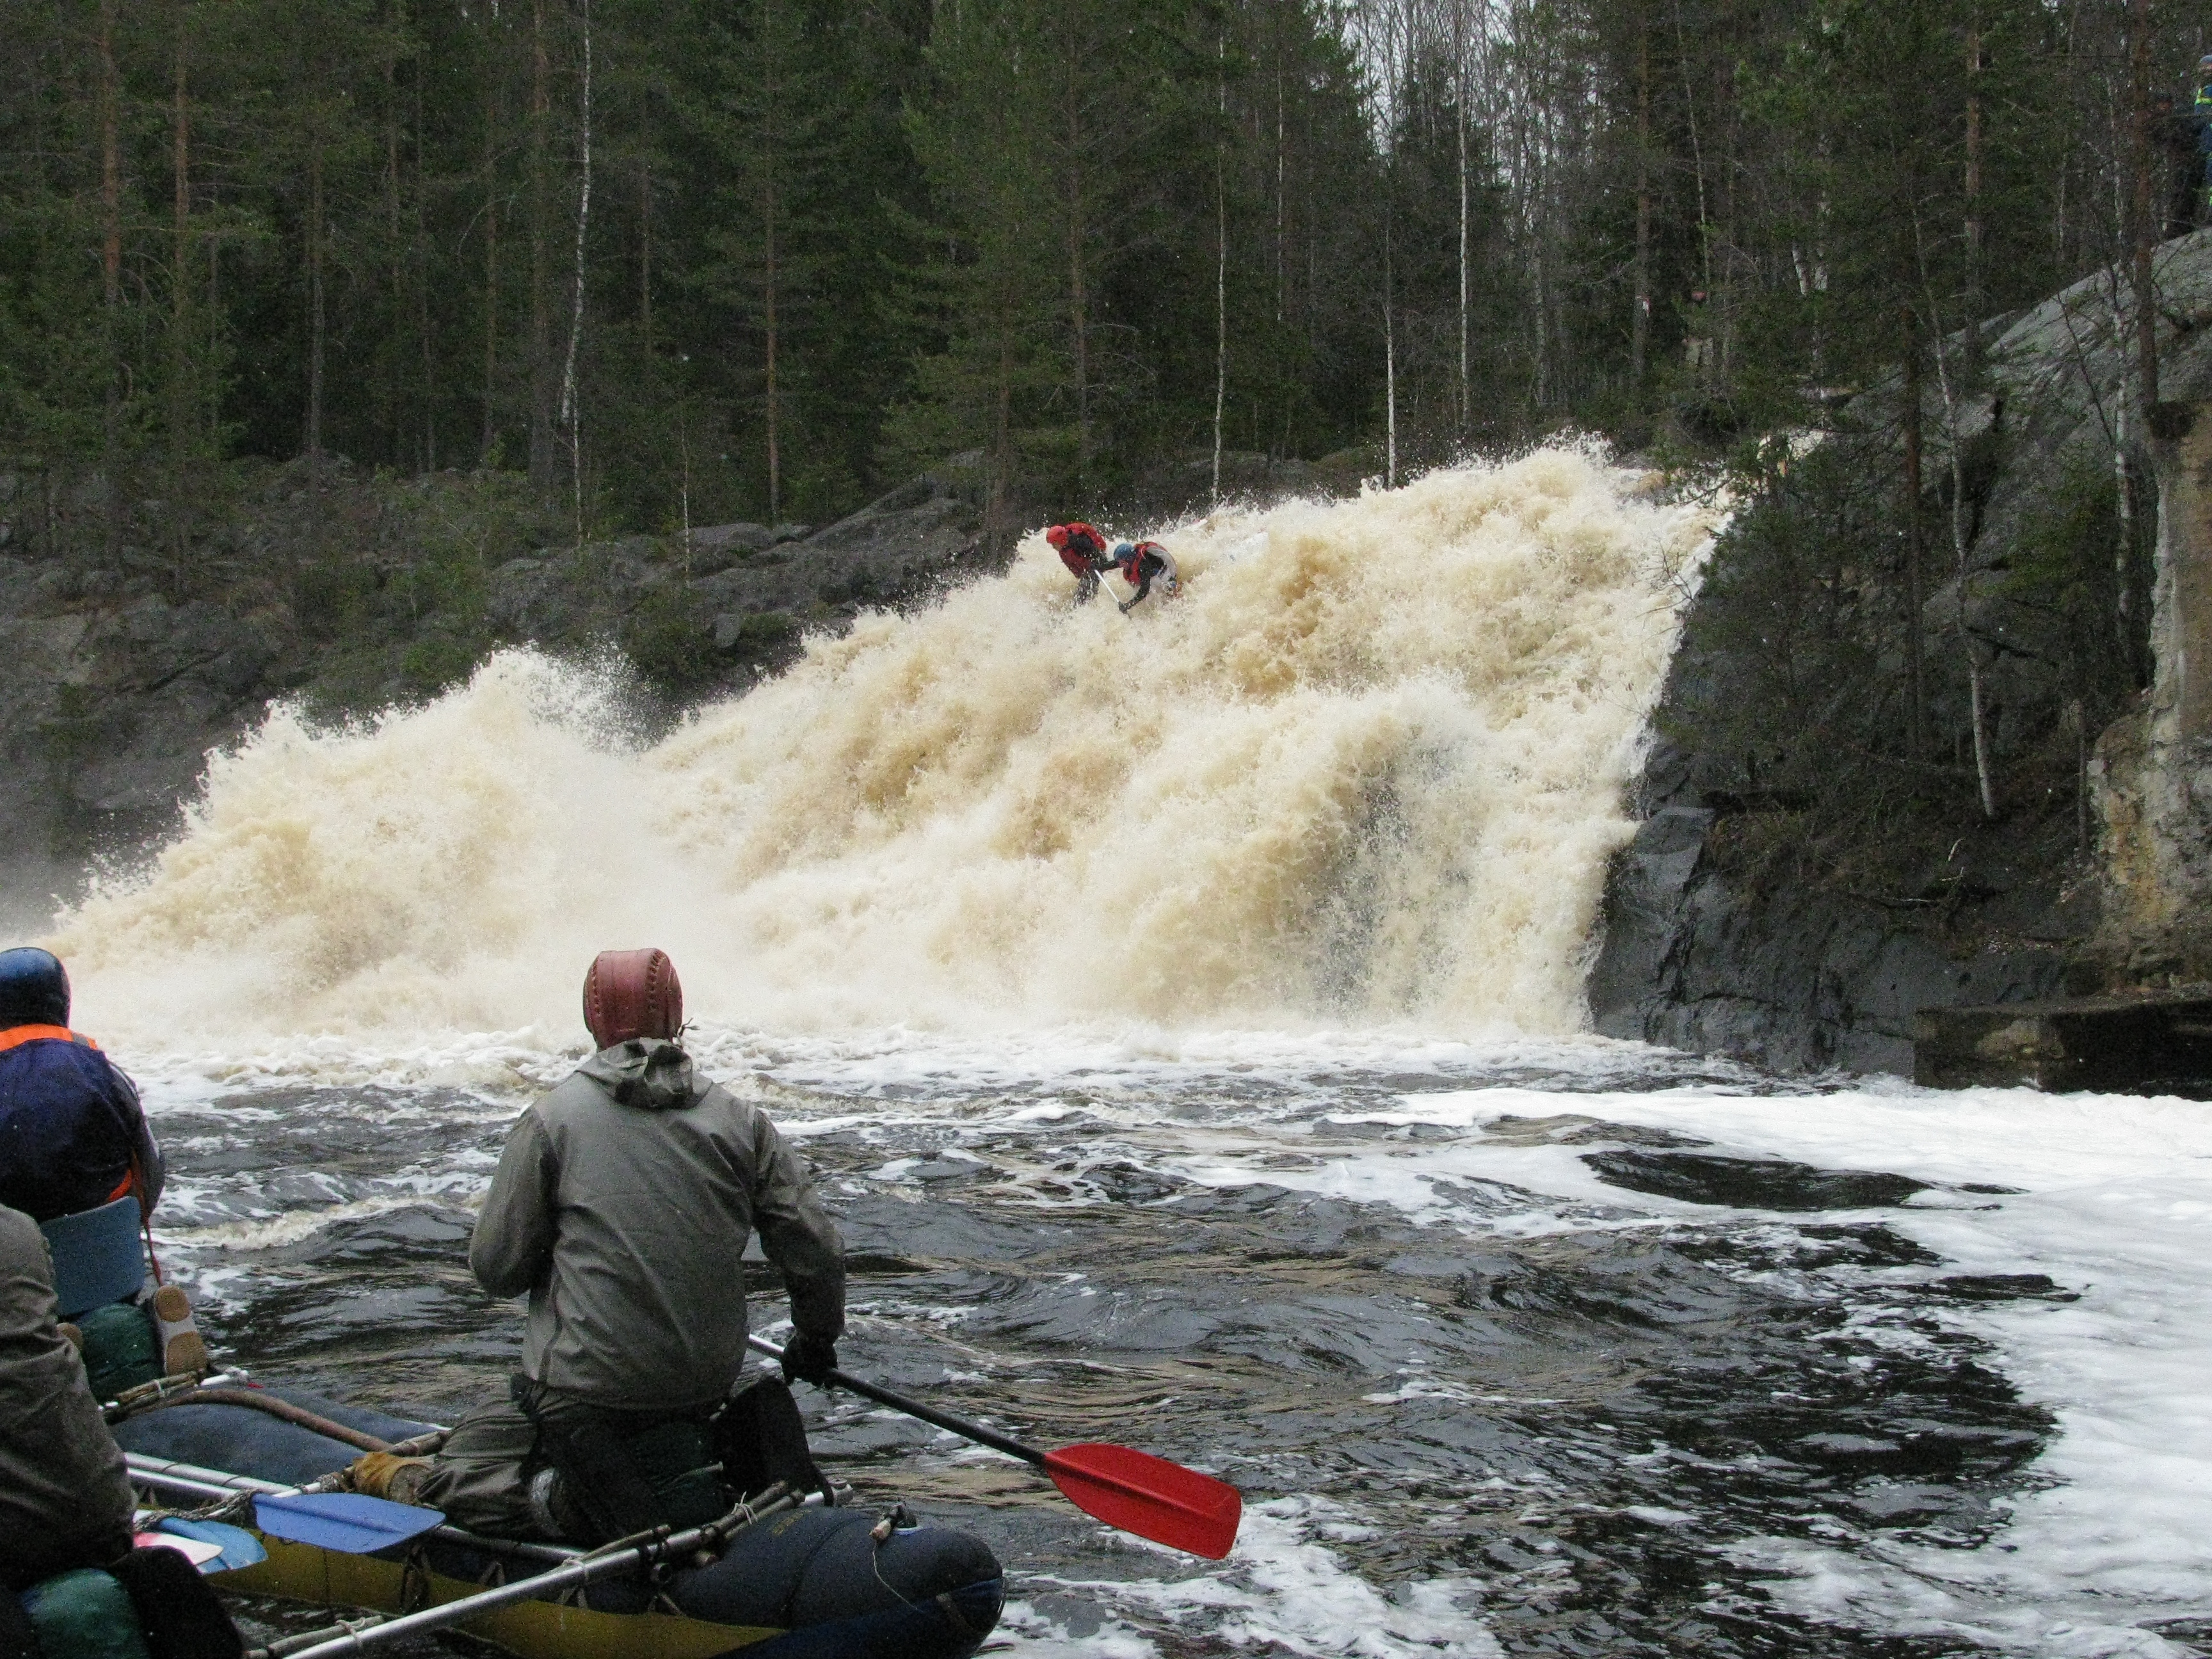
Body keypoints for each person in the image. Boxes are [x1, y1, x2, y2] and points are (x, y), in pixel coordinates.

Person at [347, 948, 847, 1544]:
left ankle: (569, 1501)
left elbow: (497, 1270)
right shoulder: (742, 1120)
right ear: (677, 1019)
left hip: (584, 1398)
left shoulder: (552, 1120)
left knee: (459, 1470)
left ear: (594, 1023)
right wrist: (814, 1339)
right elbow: (813, 1248)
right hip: (704, 1388)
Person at [0, 946, 205, 1377]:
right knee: (109, 1315)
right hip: (106, 1264)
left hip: (18, 1273)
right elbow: (150, 1170)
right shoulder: (106, 1073)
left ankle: (55, 1343)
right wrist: (123, 1223)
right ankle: (148, 1331)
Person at [1045, 522, 1110, 604]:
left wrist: (1095, 564)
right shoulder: (1064, 552)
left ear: (1061, 540)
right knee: (1081, 594)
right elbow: (1077, 573)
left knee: (1085, 593)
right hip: (1089, 568)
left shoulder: (1080, 541)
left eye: (1054, 544)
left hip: (1096, 563)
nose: (1053, 547)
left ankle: (1089, 604)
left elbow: (1098, 555)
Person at [1109, 540, 1179, 613]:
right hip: (1154, 576)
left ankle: (1177, 601)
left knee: (1169, 592)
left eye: (1122, 563)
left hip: (1164, 574)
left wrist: (1128, 605)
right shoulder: (1131, 559)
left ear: (1129, 559)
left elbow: (1144, 590)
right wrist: (1099, 567)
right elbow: (1114, 564)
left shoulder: (1143, 566)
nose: (1120, 565)